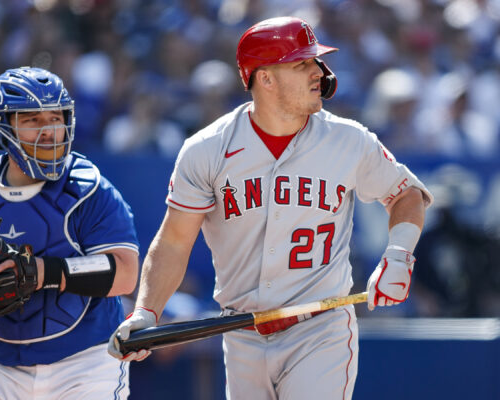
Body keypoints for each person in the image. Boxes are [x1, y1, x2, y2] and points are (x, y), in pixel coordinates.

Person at [108, 17, 433, 400]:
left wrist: (398, 255)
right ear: (265, 79)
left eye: (316, 62)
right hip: (241, 331)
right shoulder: (207, 150)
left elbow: (407, 194)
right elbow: (175, 241)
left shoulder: (348, 140)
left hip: (320, 328)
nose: (319, 73)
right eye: (302, 65)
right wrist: (146, 311)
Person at [0, 67, 139, 399]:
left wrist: (42, 272)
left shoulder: (88, 190)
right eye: (33, 121)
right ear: (4, 125)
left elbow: (125, 274)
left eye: (56, 118)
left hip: (87, 364)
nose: (49, 131)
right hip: (4, 369)